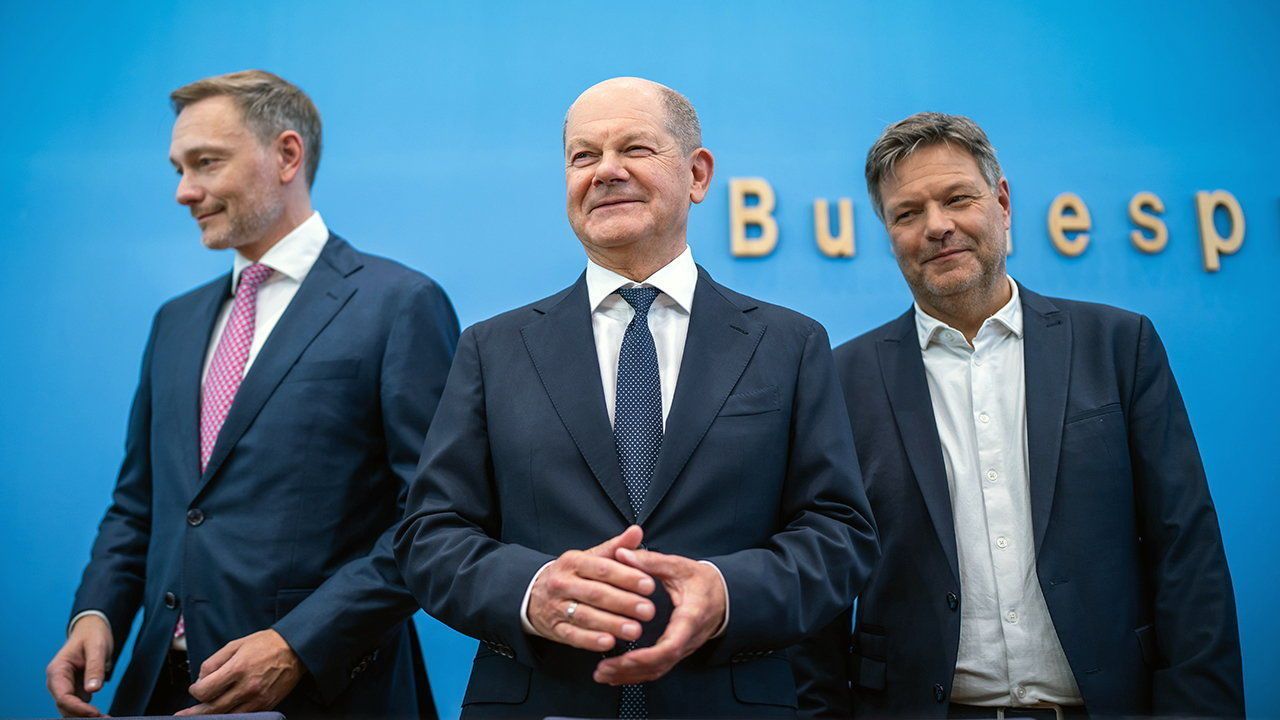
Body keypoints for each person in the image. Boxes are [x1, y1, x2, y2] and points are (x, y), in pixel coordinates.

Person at [393, 76, 878, 719]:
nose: (605, 171)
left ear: (698, 174)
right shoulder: (493, 348)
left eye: (636, 149)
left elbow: (839, 535)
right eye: (583, 156)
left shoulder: (789, 344)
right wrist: (532, 590)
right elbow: (429, 535)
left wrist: (728, 592)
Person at [45, 70, 458, 717]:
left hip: (328, 693)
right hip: (161, 689)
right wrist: (95, 615)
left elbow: (433, 519)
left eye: (206, 163)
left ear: (287, 155)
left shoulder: (399, 304)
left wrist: (298, 643)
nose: (185, 191)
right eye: (179, 168)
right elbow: (140, 505)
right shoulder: (174, 322)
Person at [819, 111, 1244, 717]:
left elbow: (1188, 552)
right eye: (907, 213)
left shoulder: (1118, 346)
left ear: (1002, 201)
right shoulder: (841, 379)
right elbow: (827, 582)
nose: (937, 227)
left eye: (957, 198)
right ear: (888, 233)